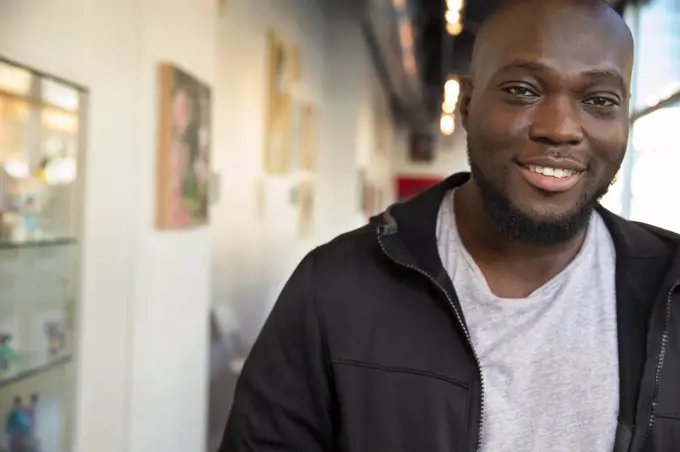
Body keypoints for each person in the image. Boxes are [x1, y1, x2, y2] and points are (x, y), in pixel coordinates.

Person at [220, 0, 680, 451]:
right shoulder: (335, 287)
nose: (560, 128)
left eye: (599, 100)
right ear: (466, 104)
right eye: (523, 90)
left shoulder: (673, 288)